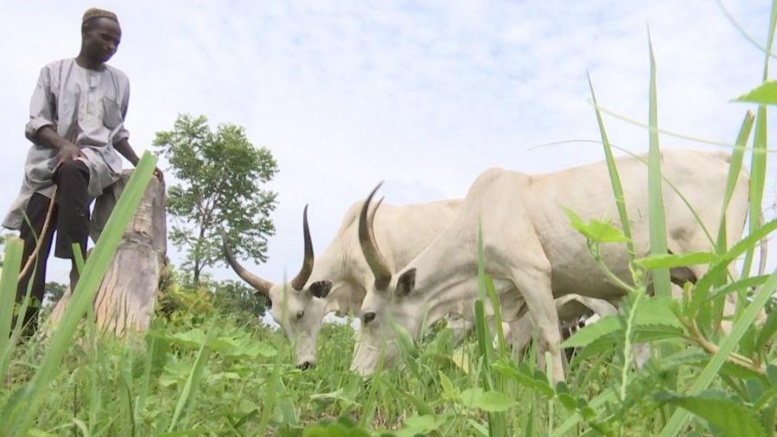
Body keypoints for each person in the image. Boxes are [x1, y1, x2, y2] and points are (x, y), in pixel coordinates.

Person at [2, 7, 162, 335]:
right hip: (46, 173)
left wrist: (141, 163)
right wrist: (62, 144)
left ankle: (77, 264)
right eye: (105, 38)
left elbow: (116, 133)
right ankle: (19, 336)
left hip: (95, 168)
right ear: (86, 32)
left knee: (76, 169)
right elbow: (36, 124)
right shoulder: (53, 72)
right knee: (31, 253)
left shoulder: (119, 82)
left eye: (117, 42)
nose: (111, 46)